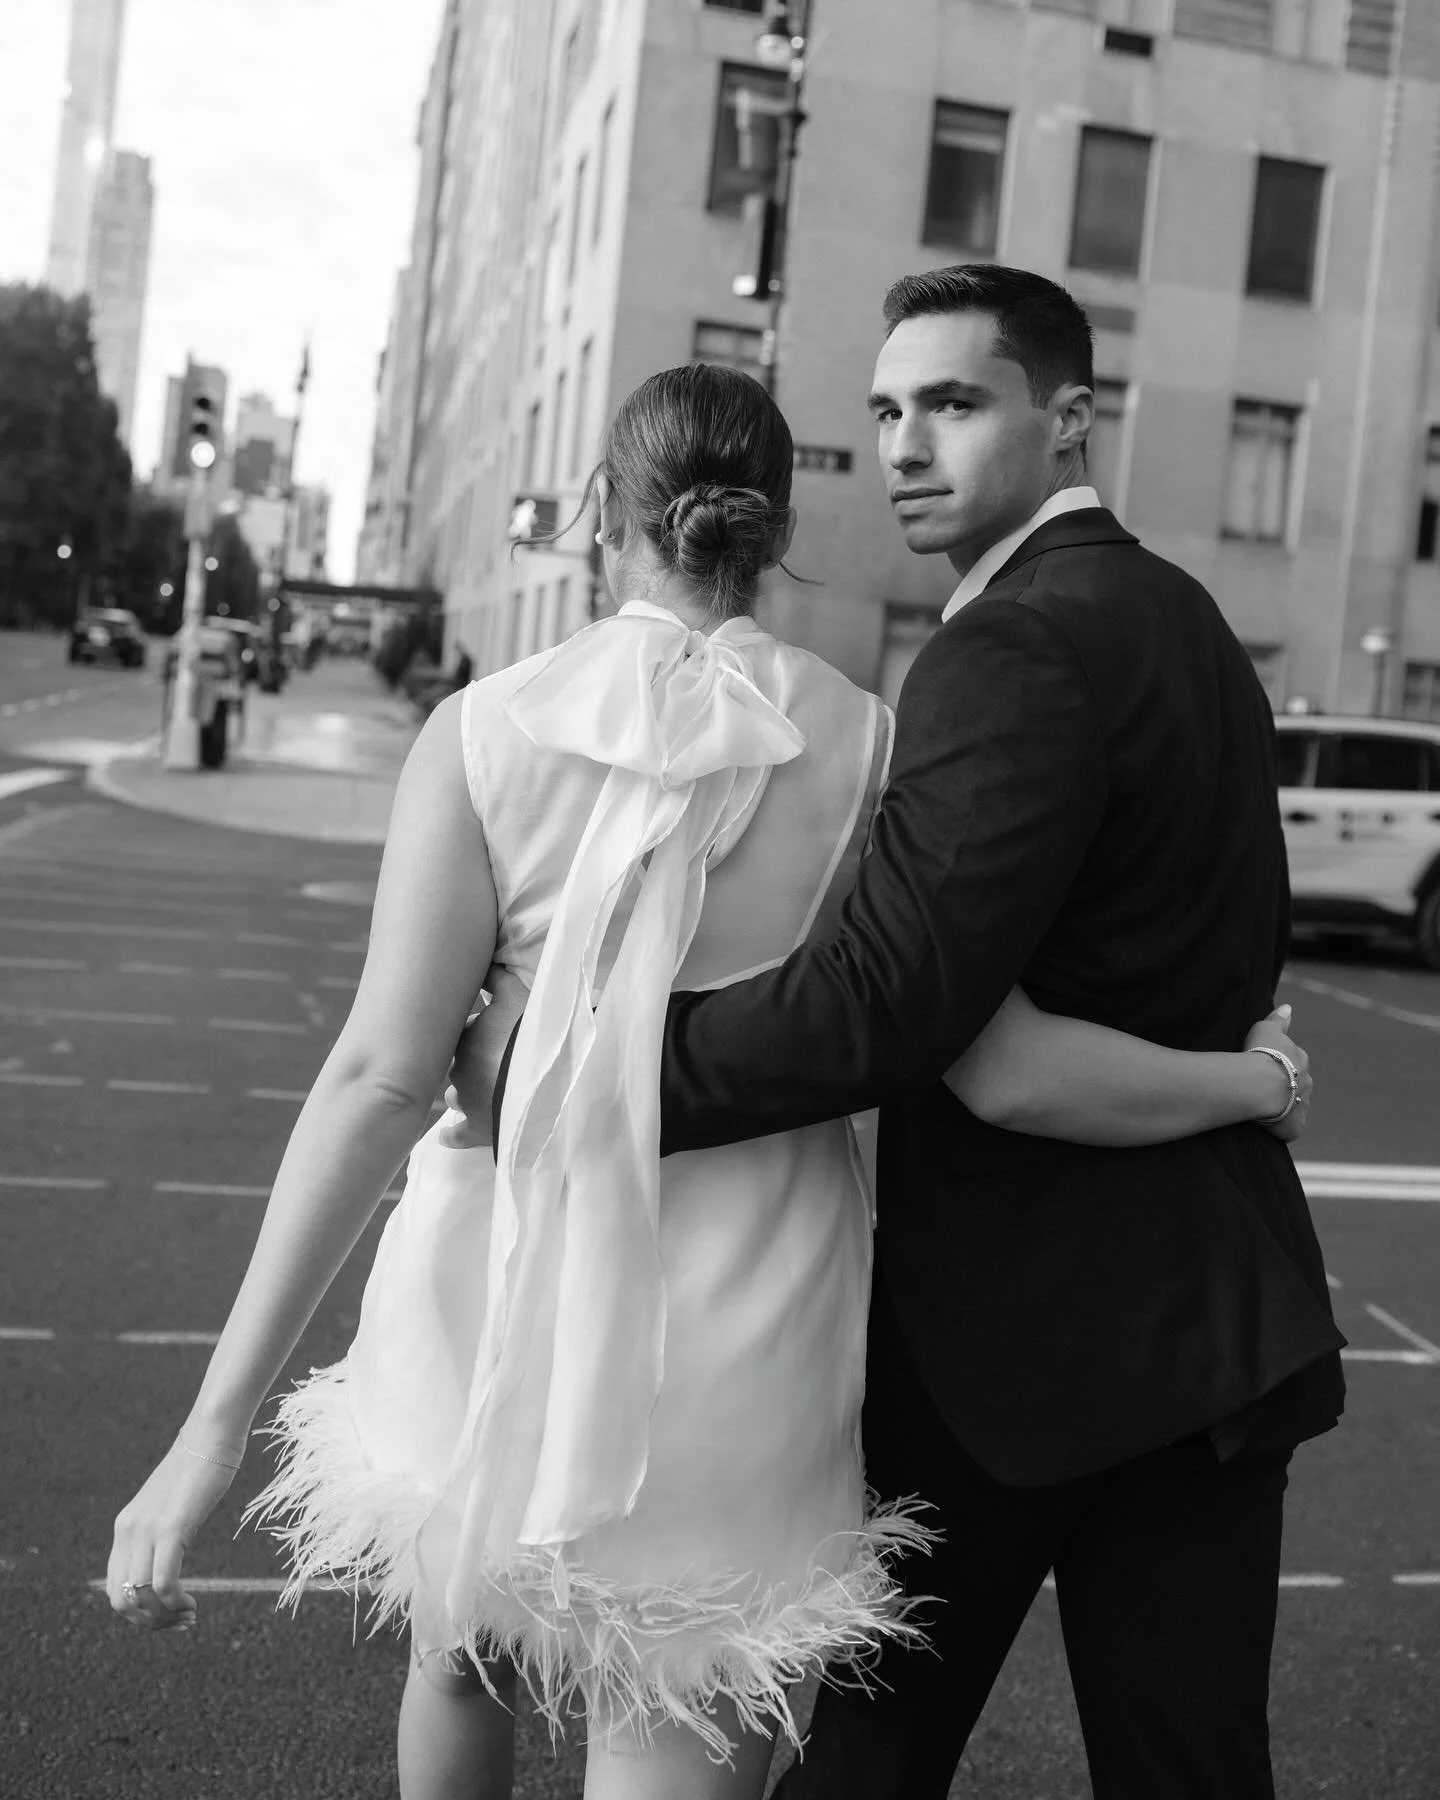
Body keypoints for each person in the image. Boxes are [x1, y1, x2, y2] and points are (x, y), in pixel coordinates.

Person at [109, 360, 1315, 1800]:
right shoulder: (869, 743)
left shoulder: (484, 733)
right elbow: (995, 1068)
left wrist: (208, 1432)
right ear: (776, 532)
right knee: (677, 1719)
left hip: (501, 1271)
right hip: (745, 1313)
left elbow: (378, 1078)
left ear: (601, 525)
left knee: (461, 1657)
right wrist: (1247, 1079)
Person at [642, 268, 1347, 1797]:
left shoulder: (1014, 646)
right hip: (1213, 1332)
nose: (905, 443)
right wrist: (1251, 1078)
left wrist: (598, 1074)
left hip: (1012, 1356)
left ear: (1069, 419)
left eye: (954, 403)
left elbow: (888, 1005)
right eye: (888, 408)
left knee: (863, 1772)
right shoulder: (1190, 625)